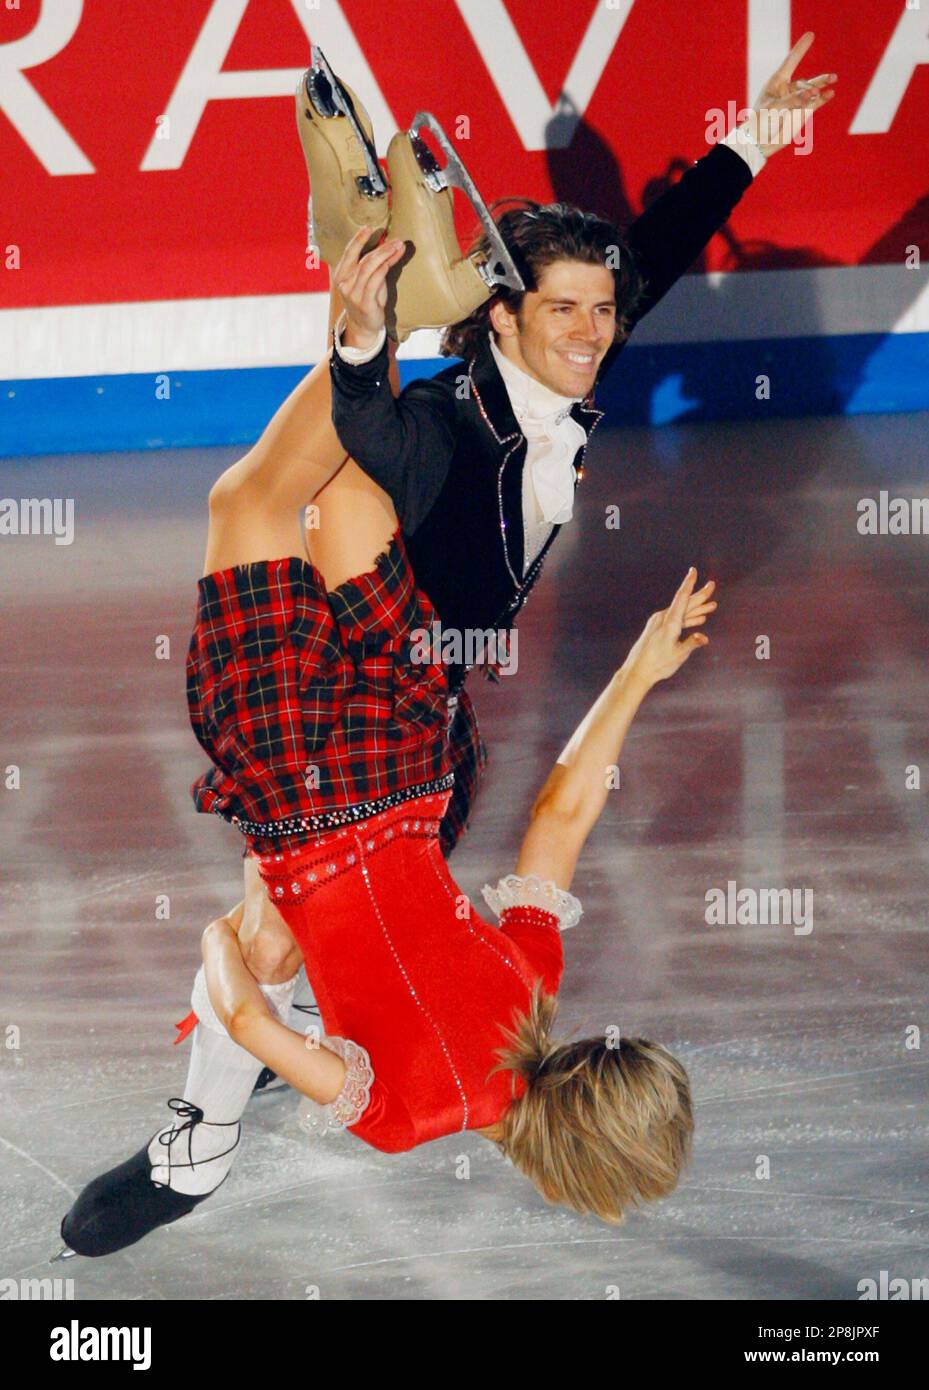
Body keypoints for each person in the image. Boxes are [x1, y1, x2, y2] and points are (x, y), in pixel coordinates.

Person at [57, 251, 718, 1252]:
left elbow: (562, 809)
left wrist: (637, 670)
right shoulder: (397, 1114)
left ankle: (373, 335)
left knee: (340, 497)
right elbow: (246, 1016)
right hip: (304, 795)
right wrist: (218, 949)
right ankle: (372, 331)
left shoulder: (529, 992)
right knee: (259, 505)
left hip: (399, 761)